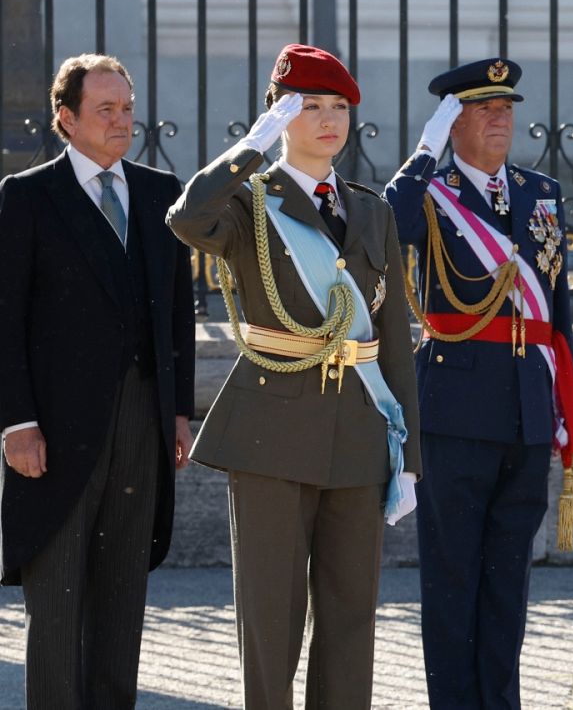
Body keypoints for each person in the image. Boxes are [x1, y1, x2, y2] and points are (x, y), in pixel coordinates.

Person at [167, 43, 422, 709]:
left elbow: (393, 341)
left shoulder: (371, 210)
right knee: (271, 620)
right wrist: (248, 151)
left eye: (338, 106)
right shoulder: (250, 201)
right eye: (310, 107)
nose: (329, 120)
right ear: (279, 117)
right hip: (270, 434)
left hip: (359, 435)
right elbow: (186, 220)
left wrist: (409, 454)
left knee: (350, 620)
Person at [384, 58, 573, 710]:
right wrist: (424, 150)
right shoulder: (432, 194)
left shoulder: (541, 192)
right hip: (455, 409)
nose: (501, 119)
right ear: (454, 121)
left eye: (507, 107)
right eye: (482, 109)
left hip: (528, 409)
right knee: (452, 582)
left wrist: (562, 410)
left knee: (507, 585)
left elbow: (557, 314)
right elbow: (387, 227)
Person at [0, 54, 196, 708]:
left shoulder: (161, 193)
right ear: (67, 117)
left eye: (128, 109)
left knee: (121, 599)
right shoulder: (27, 198)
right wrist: (16, 423)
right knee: (54, 607)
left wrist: (178, 414)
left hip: (142, 421)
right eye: (105, 110)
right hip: (53, 431)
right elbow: (6, 320)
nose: (122, 122)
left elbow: (175, 315)